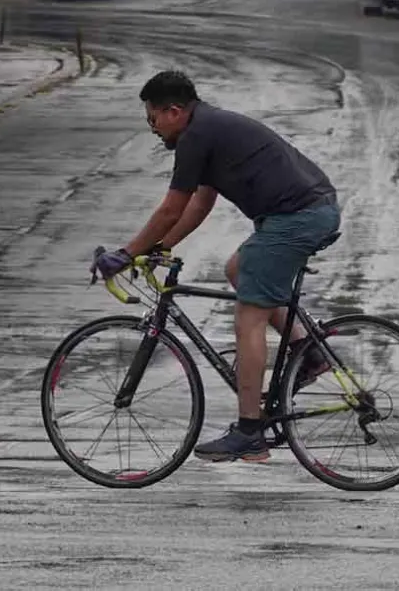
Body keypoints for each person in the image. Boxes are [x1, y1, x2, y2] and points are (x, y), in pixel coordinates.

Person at [91, 70, 342, 462]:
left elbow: (171, 206)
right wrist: (160, 247)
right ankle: (307, 351)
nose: (152, 129)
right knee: (239, 271)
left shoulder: (197, 136)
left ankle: (249, 432)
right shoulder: (208, 127)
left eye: (153, 119)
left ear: (174, 111)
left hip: (298, 217)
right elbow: (198, 205)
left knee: (248, 316)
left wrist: (125, 254)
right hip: (306, 213)